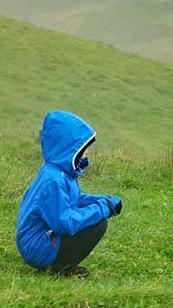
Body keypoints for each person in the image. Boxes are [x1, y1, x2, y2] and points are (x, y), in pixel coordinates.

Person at [16, 110, 122, 277]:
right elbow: (64, 222)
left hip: (36, 241)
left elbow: (73, 199)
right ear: (68, 147)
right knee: (97, 224)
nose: (86, 152)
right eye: (83, 148)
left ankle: (59, 263)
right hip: (36, 247)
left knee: (96, 217)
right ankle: (60, 268)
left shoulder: (59, 172)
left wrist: (102, 200)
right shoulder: (55, 180)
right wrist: (103, 208)